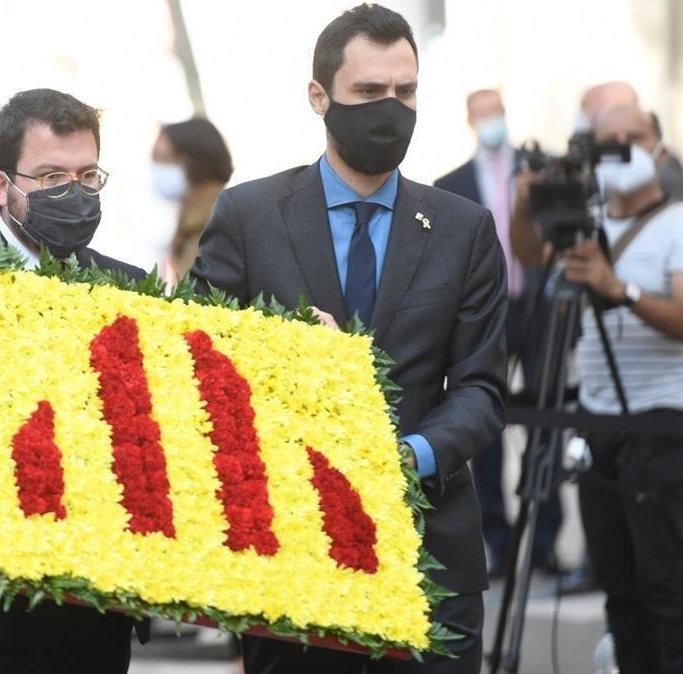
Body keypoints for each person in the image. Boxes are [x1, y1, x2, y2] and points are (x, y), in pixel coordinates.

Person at [190, 4, 506, 671]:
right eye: (368, 92)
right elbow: (193, 361)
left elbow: (480, 389)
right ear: (320, 96)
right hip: (292, 555)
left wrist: (405, 458)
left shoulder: (463, 227)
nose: (390, 109)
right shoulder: (249, 217)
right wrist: (278, 354)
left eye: (405, 91)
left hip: (430, 557)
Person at [0, 88, 147, 674]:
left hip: (103, 591)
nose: (75, 193)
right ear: (1, 186)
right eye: (50, 177)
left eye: (88, 175)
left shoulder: (133, 288)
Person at [511, 102, 683, 673]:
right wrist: (525, 196)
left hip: (663, 426)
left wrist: (617, 287)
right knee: (620, 584)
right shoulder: (588, 219)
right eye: (607, 140)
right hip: (599, 419)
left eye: (633, 137)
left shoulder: (678, 220)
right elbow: (528, 254)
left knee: (667, 585)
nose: (621, 148)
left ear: (659, 147)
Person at [434, 89, 561, 577]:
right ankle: (498, 541)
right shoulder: (454, 184)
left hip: (540, 308)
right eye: (484, 116)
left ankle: (546, 539)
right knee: (483, 420)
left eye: (499, 114)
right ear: (470, 121)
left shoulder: (539, 173)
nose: (494, 123)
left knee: (546, 421)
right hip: (488, 313)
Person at [150, 117, 234, 281]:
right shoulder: (190, 221)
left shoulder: (220, 223)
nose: (158, 170)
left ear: (195, 162)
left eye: (165, 160)